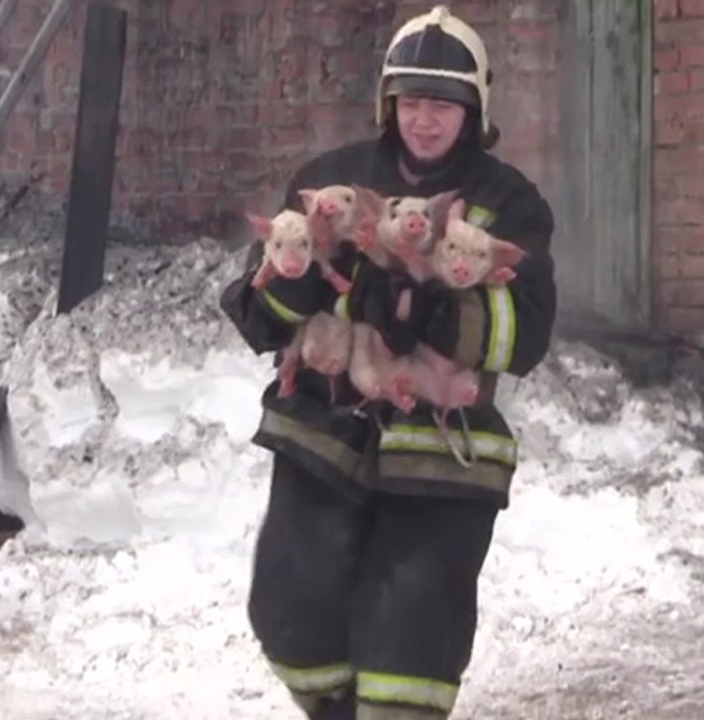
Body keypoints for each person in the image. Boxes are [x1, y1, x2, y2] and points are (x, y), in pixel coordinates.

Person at [220, 6, 556, 719]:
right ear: (387, 103)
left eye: (443, 105)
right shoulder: (331, 180)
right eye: (411, 102)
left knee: (408, 644)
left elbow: (525, 333)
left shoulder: (507, 202)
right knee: (289, 616)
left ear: (474, 111)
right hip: (324, 432)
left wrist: (431, 312)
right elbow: (256, 312)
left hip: (439, 456)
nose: (424, 121)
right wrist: (307, 283)